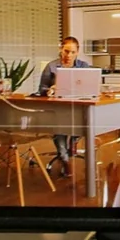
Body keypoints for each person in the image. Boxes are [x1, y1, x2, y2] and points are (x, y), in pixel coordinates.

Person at [38, 36, 91, 177]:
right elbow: (41, 89)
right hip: (58, 108)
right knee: (60, 128)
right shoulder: (51, 66)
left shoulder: (84, 66)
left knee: (85, 120)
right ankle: (65, 159)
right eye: (66, 51)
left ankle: (73, 141)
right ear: (61, 49)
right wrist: (50, 90)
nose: (69, 55)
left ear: (77, 52)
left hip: (78, 106)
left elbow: (89, 86)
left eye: (73, 52)